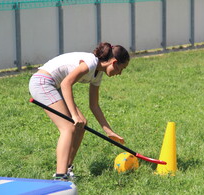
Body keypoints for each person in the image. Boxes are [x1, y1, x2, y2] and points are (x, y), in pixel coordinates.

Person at [29, 42, 130, 181]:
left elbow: (94, 105)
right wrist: (74, 115)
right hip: (42, 83)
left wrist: (109, 131)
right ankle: (60, 177)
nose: (120, 73)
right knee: (68, 128)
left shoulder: (98, 73)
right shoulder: (90, 63)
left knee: (81, 125)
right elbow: (66, 84)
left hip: (55, 85)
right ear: (114, 62)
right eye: (121, 68)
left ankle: (67, 168)